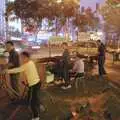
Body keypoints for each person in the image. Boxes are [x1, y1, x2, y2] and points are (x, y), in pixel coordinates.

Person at [7, 51, 41, 120]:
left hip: (33, 85)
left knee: (32, 101)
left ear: (27, 58)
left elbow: (17, 69)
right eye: (21, 58)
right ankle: (39, 105)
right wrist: (26, 81)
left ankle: (36, 116)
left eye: (22, 58)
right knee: (32, 97)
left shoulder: (27, 65)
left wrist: (6, 71)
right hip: (37, 83)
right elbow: (29, 73)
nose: (21, 59)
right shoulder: (31, 62)